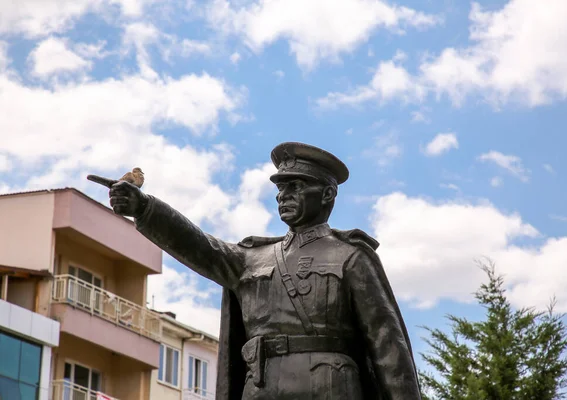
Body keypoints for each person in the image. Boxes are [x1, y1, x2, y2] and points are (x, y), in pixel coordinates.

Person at [106, 142, 421, 399]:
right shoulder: (251, 258)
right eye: (281, 188)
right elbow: (199, 246)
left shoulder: (350, 257)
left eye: (296, 186)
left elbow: (389, 348)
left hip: (329, 387)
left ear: (327, 194)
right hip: (262, 387)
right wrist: (145, 208)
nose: (283, 195)